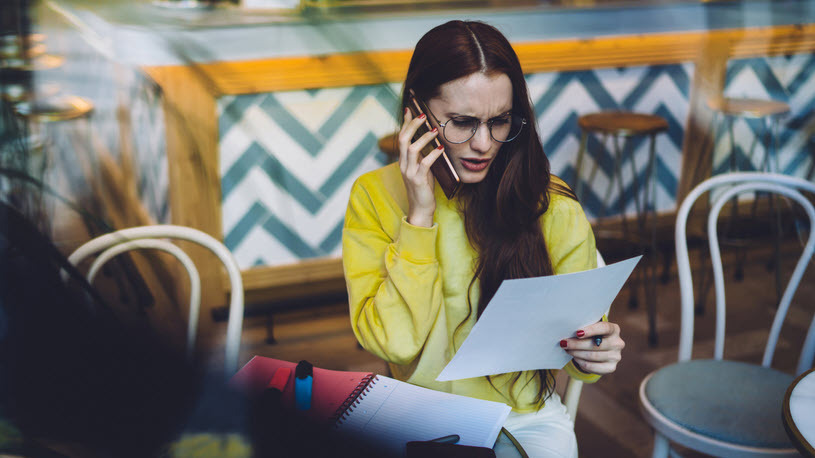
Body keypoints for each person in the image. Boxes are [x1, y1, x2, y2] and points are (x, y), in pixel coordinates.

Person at [342, 20, 625, 457]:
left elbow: (588, 347)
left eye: (500, 121)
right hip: (416, 415)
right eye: (462, 123)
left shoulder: (552, 204)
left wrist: (596, 351)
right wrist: (419, 218)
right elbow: (393, 344)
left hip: (522, 416)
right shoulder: (374, 197)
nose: (484, 144)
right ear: (416, 113)